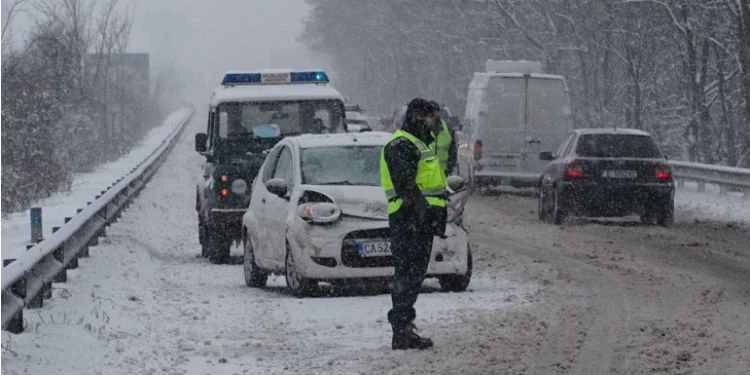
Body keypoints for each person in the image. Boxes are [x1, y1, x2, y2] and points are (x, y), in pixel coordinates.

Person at [380, 98, 448, 350]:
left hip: (418, 219)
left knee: (413, 276)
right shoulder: (401, 144)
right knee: (407, 276)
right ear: (418, 117)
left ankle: (405, 327)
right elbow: (406, 186)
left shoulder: (418, 143)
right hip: (408, 219)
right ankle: (401, 330)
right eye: (431, 117)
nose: (434, 123)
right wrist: (422, 213)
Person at [429, 101, 458, 177]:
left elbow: (452, 151)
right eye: (429, 112)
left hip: (443, 174)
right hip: (425, 176)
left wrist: (449, 168)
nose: (432, 114)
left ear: (438, 112)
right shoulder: (420, 129)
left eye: (434, 111)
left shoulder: (447, 129)